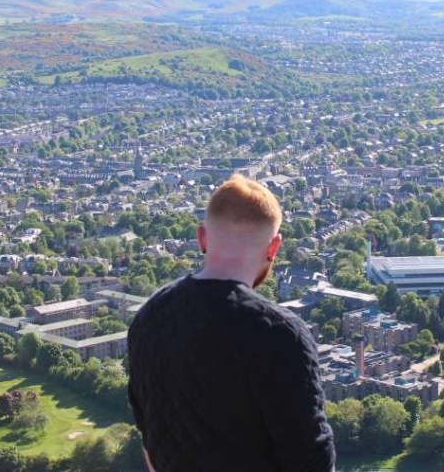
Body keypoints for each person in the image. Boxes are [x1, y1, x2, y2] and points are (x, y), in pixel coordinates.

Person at [128, 174, 336, 472]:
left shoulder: (148, 317)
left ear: (202, 238)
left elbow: (150, 436)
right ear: (273, 247)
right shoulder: (278, 334)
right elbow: (311, 459)